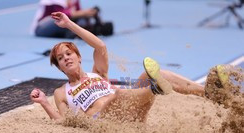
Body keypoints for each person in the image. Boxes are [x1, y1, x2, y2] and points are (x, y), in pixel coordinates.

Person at [30, 12, 206, 122]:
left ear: (79, 57)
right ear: (60, 67)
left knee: (152, 73)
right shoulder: (62, 92)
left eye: (69, 54)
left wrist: (69, 24)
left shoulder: (98, 74)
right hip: (107, 121)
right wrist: (45, 102)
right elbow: (62, 120)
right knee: (119, 94)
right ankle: (154, 88)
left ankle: (206, 91)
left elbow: (100, 46)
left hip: (132, 112)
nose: (66, 58)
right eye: (60, 58)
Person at [30, 0, 113, 38]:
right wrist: (83, 13)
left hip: (61, 27)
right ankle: (83, 31)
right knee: (59, 19)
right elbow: (58, 16)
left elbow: (78, 13)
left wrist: (89, 14)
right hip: (41, 28)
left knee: (81, 19)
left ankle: (91, 30)